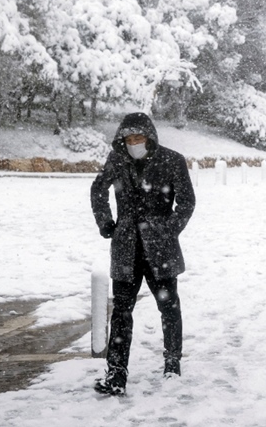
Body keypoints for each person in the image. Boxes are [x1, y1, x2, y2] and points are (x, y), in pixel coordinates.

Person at [90, 112, 196, 396]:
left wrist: (168, 229)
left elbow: (186, 202)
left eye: (138, 138)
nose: (133, 143)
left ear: (149, 137)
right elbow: (98, 189)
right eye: (128, 139)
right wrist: (106, 222)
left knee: (169, 307)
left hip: (160, 249)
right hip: (126, 248)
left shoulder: (173, 160)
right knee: (122, 312)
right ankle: (116, 374)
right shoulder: (118, 159)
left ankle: (172, 363)